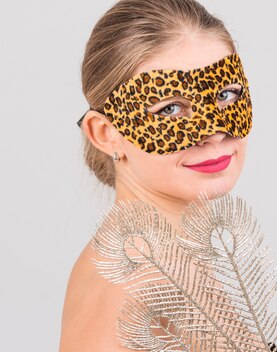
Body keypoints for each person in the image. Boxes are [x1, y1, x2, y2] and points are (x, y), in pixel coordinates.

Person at [60, 0, 261, 350]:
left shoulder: (168, 262)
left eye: (227, 94)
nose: (214, 131)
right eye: (170, 108)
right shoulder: (135, 290)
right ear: (105, 133)